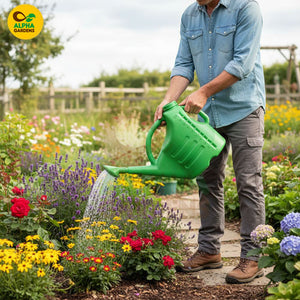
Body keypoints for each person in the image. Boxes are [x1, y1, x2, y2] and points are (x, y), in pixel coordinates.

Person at [154, 0, 266, 284]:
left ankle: (253, 258)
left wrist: (203, 92)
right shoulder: (190, 15)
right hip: (208, 116)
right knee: (207, 180)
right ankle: (209, 250)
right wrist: (169, 100)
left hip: (244, 109)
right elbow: (183, 64)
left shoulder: (246, 9)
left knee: (249, 183)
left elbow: (243, 63)